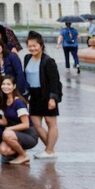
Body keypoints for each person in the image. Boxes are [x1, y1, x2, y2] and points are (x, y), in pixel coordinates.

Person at [23, 31, 62, 159]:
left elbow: (55, 81)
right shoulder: (27, 58)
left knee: (51, 123)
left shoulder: (48, 61)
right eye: (30, 46)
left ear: (41, 45)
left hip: (46, 94)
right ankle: (50, 149)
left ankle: (49, 151)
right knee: (35, 124)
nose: (32, 48)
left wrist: (53, 98)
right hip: (33, 96)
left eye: (35, 45)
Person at [0, 75, 38, 165]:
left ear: (14, 86)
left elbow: (26, 124)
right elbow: (5, 122)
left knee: (6, 134)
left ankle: (23, 155)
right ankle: (20, 151)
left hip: (28, 134)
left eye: (8, 84)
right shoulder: (3, 101)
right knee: (3, 150)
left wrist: (9, 129)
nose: (5, 86)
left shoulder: (19, 102)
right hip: (15, 134)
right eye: (3, 84)